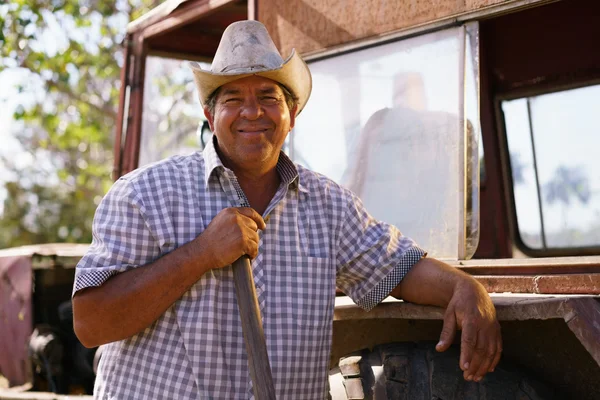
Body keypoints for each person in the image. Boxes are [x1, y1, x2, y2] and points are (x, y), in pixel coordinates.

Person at [72, 20, 501, 399]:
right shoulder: (144, 194)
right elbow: (90, 324)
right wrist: (201, 253)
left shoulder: (328, 206)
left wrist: (466, 290)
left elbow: (398, 268)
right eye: (233, 98)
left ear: (292, 113)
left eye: (268, 96)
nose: (253, 111)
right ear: (210, 113)